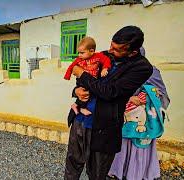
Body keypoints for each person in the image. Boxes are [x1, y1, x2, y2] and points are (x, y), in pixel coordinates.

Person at [64, 26, 153, 180]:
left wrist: (82, 74)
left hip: (104, 128)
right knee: (72, 164)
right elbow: (81, 80)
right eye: (111, 45)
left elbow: (110, 92)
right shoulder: (103, 56)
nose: (110, 50)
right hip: (80, 119)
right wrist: (76, 90)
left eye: (116, 49)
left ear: (132, 52)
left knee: (97, 173)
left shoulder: (142, 68)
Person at [108, 50, 170, 180]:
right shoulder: (120, 71)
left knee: (140, 145)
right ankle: (119, 172)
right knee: (122, 145)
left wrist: (150, 96)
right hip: (125, 118)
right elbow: (113, 92)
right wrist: (129, 98)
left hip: (144, 121)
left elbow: (163, 97)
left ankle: (136, 174)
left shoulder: (152, 71)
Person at [64, 37, 111, 117]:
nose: (79, 55)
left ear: (91, 51)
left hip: (92, 79)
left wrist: (105, 68)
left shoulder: (98, 56)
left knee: (89, 92)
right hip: (81, 80)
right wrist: (67, 75)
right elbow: (71, 66)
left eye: (82, 53)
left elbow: (106, 60)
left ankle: (76, 105)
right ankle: (81, 108)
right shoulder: (79, 59)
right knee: (85, 93)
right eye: (78, 53)